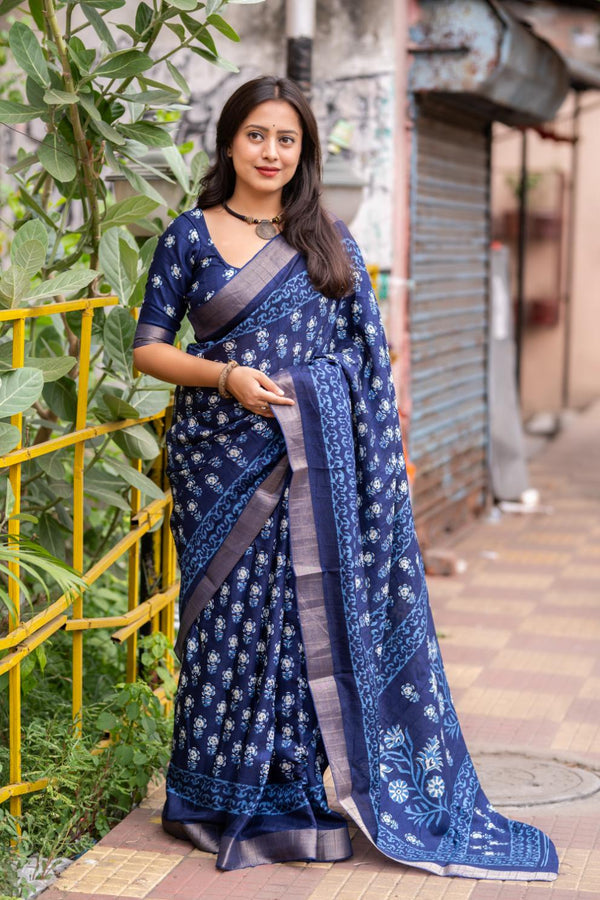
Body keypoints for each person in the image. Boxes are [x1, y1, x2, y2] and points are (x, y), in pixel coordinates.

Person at [133, 75, 558, 879]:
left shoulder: (329, 240)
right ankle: (204, 797)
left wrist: (314, 406)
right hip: (219, 465)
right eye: (256, 135)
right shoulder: (188, 236)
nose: (270, 151)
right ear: (230, 142)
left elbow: (366, 365)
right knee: (223, 630)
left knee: (297, 634)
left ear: (304, 152)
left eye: (286, 139)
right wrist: (225, 379)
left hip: (311, 475)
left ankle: (290, 800)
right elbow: (148, 347)